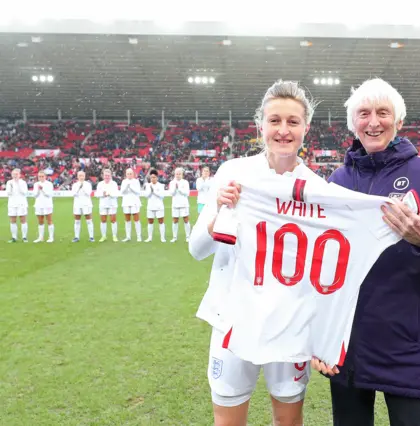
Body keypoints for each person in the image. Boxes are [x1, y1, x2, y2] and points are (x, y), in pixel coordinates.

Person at [310, 78, 420, 426]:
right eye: (364, 113)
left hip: (406, 345)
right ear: (353, 123)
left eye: (383, 113)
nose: (373, 122)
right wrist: (321, 336)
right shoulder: (337, 181)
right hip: (347, 346)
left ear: (399, 122)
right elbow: (323, 266)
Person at [189, 80, 323, 426]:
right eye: (274, 120)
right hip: (234, 317)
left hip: (289, 322)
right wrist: (218, 209)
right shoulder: (233, 173)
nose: (283, 130)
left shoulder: (318, 189)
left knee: (289, 420)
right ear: (260, 125)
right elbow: (196, 250)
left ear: (306, 127)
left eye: (293, 122)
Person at [142, 169, 167, 242]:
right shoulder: (147, 185)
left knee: (161, 222)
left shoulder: (161, 185)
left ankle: (162, 238)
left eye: (154, 177)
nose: (153, 178)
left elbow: (162, 196)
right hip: (150, 206)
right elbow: (146, 196)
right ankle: (149, 237)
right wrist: (150, 191)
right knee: (150, 222)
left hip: (159, 206)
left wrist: (154, 191)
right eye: (151, 177)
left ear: (157, 177)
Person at [95, 169, 120, 242]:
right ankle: (103, 236)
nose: (107, 177)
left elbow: (117, 194)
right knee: (103, 220)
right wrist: (103, 194)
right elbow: (96, 194)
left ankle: (114, 236)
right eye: (105, 175)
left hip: (112, 204)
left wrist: (109, 194)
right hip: (103, 204)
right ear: (103, 176)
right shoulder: (100, 184)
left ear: (111, 176)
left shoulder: (114, 183)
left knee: (113, 220)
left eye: (108, 175)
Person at [168, 167, 191, 243]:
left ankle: (188, 236)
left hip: (184, 204)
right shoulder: (172, 183)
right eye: (176, 174)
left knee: (186, 220)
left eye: (179, 174)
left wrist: (179, 189)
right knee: (175, 221)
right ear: (174, 174)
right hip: (175, 204)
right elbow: (171, 193)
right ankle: (174, 237)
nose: (178, 175)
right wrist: (175, 188)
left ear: (182, 174)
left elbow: (187, 193)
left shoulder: (185, 182)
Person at [71, 170, 95, 242]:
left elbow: (88, 193)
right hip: (77, 204)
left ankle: (91, 237)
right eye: (80, 176)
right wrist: (79, 188)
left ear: (84, 176)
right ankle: (76, 237)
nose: (81, 177)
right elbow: (73, 194)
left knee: (89, 221)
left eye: (82, 176)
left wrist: (83, 187)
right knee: (77, 221)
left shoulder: (88, 184)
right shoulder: (75, 185)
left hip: (86, 204)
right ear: (77, 176)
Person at [31, 170, 55, 243]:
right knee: (40, 221)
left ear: (45, 177)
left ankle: (51, 237)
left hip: (47, 204)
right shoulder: (36, 184)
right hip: (38, 204)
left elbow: (49, 194)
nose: (41, 178)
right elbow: (34, 195)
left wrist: (43, 190)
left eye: (42, 176)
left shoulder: (49, 184)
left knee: (49, 220)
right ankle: (40, 237)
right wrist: (38, 190)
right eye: (39, 176)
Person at [6, 168, 29, 243]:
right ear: (11, 175)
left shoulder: (23, 183)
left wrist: (18, 184)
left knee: (23, 220)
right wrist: (11, 188)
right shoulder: (9, 182)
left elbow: (24, 192)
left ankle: (24, 237)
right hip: (12, 204)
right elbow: (8, 193)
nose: (15, 176)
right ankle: (14, 237)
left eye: (16, 174)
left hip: (21, 203)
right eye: (13, 174)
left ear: (19, 175)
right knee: (13, 220)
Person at [121, 168, 142, 242]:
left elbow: (138, 192)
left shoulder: (136, 181)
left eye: (130, 173)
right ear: (126, 174)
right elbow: (122, 192)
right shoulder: (124, 181)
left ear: (133, 174)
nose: (129, 175)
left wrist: (131, 188)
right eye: (128, 174)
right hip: (126, 202)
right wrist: (126, 187)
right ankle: (128, 236)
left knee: (136, 220)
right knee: (127, 220)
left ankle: (139, 236)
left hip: (134, 202)